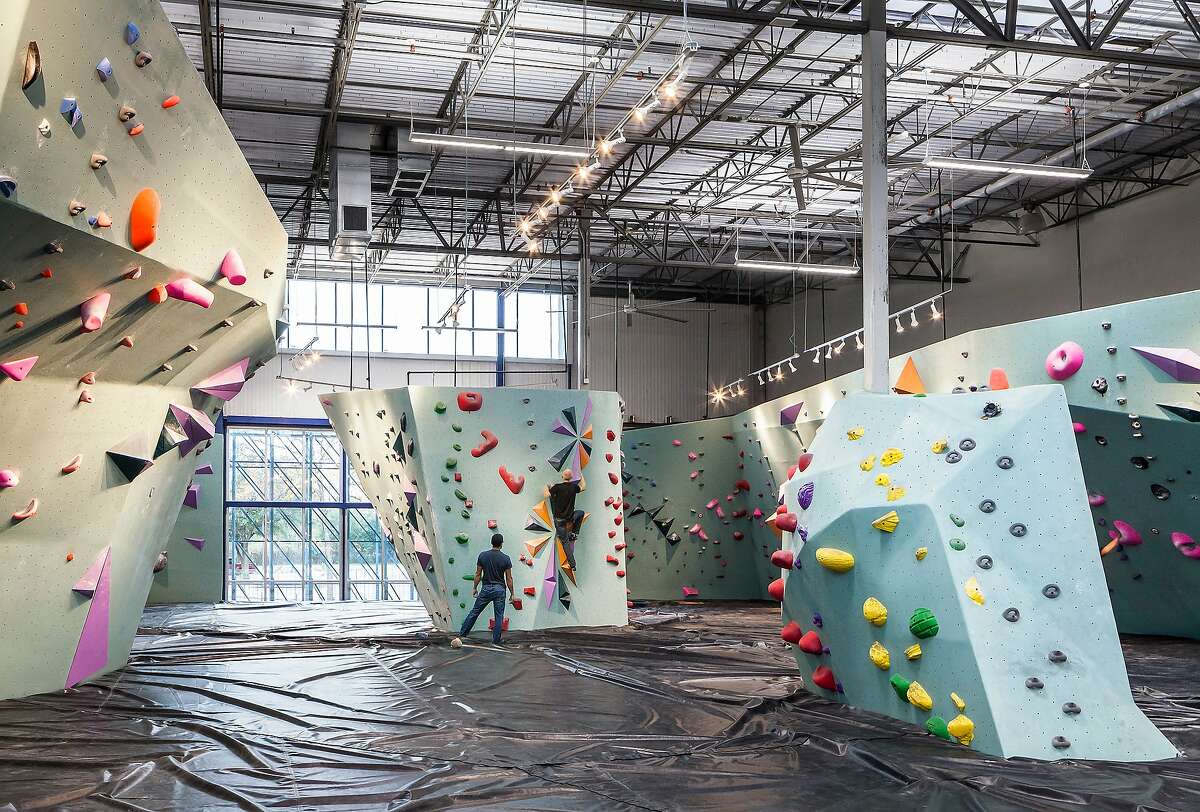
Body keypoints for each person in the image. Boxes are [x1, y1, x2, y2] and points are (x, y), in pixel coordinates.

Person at [451, 533, 514, 647]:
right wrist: (512, 593)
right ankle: (496, 641)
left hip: (486, 588)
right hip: (500, 589)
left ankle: (462, 635)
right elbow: (509, 578)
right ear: (501, 544)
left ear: (491, 543)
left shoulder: (483, 556)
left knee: (475, 612)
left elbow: (478, 574)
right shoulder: (506, 558)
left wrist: (475, 588)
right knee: (499, 616)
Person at [546, 469, 585, 571]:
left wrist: (549, 487)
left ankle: (573, 565)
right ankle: (574, 533)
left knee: (565, 543)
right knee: (581, 513)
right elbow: (583, 487)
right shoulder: (574, 487)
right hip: (570, 518)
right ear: (571, 477)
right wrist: (581, 475)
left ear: (562, 476)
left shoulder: (557, 487)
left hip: (559, 520)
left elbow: (549, 493)